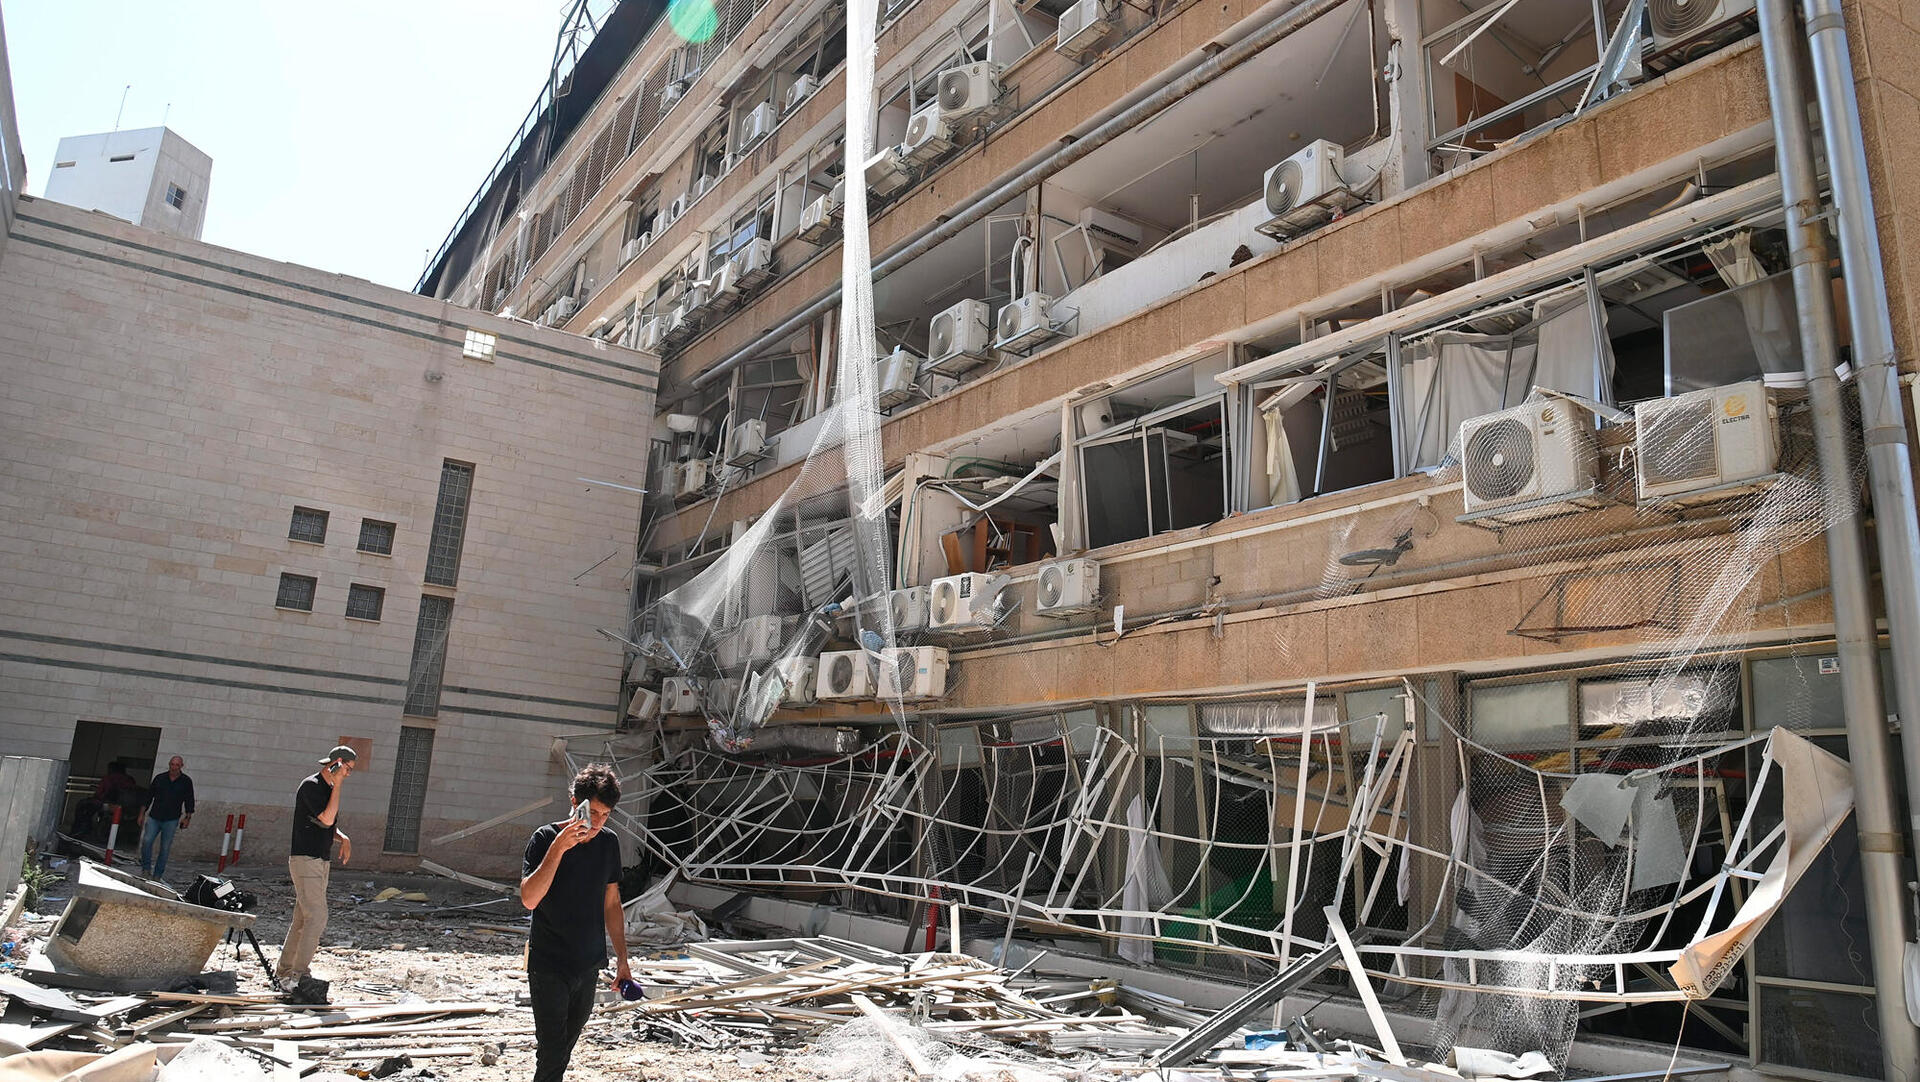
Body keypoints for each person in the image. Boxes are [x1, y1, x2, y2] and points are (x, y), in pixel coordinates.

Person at [519, 764, 630, 1082]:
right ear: (574, 803)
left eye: (605, 815)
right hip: (549, 964)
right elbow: (529, 899)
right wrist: (559, 847)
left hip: (588, 964)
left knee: (563, 1049)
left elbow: (612, 903)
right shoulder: (545, 838)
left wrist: (623, 959)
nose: (598, 822)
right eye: (592, 812)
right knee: (552, 1052)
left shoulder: (608, 843)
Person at [275, 745, 355, 1002]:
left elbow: (325, 825)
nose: (348, 775)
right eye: (348, 769)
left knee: (302, 919)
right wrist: (338, 784)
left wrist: (342, 837)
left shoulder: (327, 789)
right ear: (337, 763)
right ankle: (298, 976)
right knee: (317, 917)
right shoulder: (311, 786)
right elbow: (327, 818)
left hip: (320, 861)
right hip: (305, 860)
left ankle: (284, 971)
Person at [138, 756, 195, 879]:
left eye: (177, 765)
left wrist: (187, 818)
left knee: (165, 848)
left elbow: (189, 800)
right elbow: (149, 796)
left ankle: (158, 874)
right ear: (169, 764)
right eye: (172, 764)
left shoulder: (186, 781)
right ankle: (146, 869)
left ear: (181, 766)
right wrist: (142, 814)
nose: (174, 767)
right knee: (147, 841)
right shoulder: (160, 778)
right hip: (155, 816)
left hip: (171, 819)